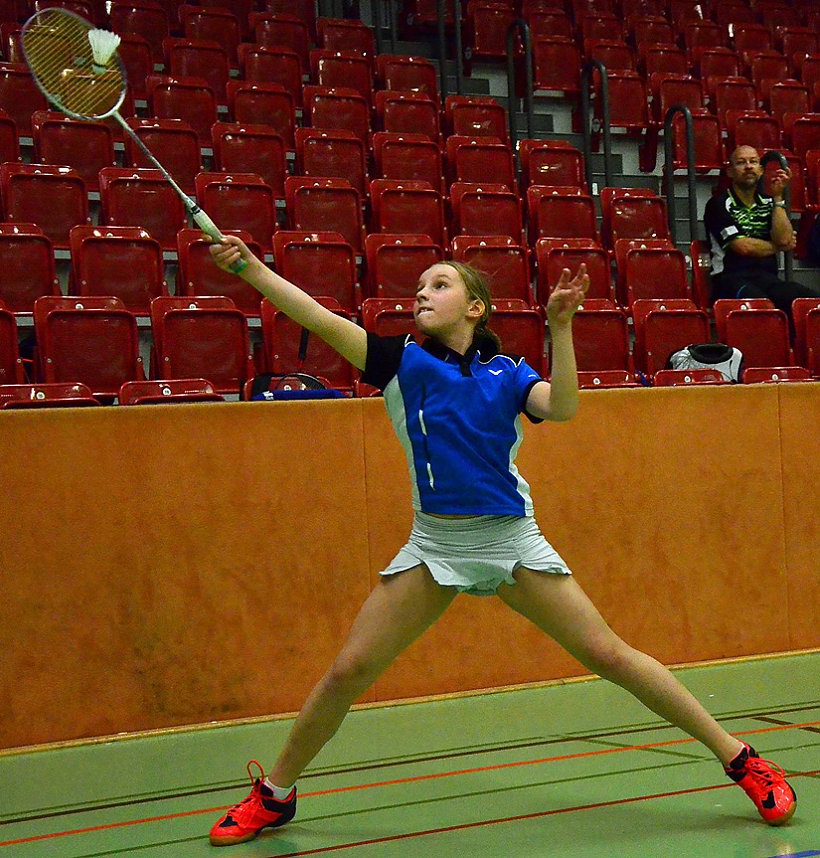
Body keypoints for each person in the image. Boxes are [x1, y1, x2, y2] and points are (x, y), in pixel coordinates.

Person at [204, 235, 797, 847]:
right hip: (436, 544)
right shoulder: (401, 361)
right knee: (348, 671)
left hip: (514, 541)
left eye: (440, 284)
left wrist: (561, 329)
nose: (423, 293)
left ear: (475, 306)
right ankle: (275, 795)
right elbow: (317, 316)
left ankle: (742, 759)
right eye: (419, 288)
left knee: (611, 656)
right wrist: (249, 268)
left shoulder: (510, 373)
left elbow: (562, 408)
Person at [704, 145, 820, 326]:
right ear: (730, 172)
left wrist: (778, 198)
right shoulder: (718, 205)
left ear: (760, 170)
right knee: (764, 308)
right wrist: (777, 247)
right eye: (741, 163)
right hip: (729, 280)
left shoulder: (769, 203)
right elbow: (742, 247)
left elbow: (784, 238)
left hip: (767, 278)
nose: (748, 166)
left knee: (812, 304)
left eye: (753, 162)